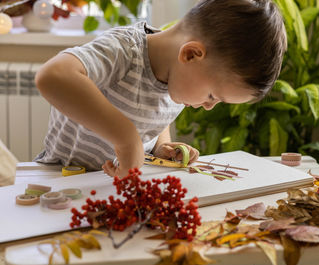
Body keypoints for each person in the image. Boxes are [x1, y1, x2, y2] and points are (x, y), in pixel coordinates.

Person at [34, 0, 287, 178]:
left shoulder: (178, 76)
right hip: (62, 177)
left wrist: (160, 146)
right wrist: (126, 137)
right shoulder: (123, 51)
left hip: (109, 184)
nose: (209, 105)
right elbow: (52, 76)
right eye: (212, 95)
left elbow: (152, 109)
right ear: (190, 54)